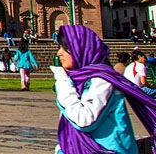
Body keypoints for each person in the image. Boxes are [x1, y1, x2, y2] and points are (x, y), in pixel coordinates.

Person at [52, 24, 156, 154]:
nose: (59, 53)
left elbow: (84, 119)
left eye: (64, 48)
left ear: (80, 48)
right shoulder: (80, 80)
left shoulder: (102, 80)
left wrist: (62, 82)